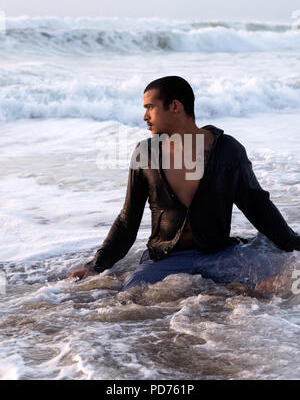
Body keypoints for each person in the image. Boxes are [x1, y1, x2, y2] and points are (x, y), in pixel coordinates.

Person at [70, 76, 300, 291]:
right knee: (131, 295)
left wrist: (293, 244)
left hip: (220, 255)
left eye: (150, 107)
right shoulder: (146, 153)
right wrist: (96, 266)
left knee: (277, 287)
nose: (144, 116)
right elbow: (128, 219)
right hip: (167, 258)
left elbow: (257, 206)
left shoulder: (228, 151)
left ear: (175, 106)